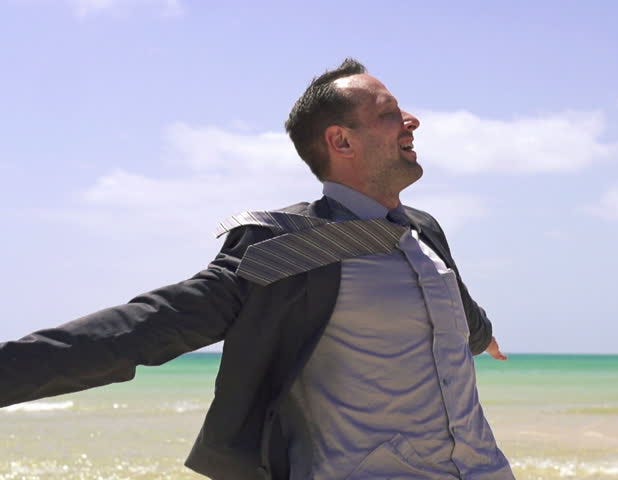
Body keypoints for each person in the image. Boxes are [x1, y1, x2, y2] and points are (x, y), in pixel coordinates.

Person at [0, 58, 515, 479]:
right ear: (341, 141)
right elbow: (145, 327)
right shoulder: (298, 246)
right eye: (389, 114)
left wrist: (482, 334)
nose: (412, 121)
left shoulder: (422, 231)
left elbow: (458, 306)